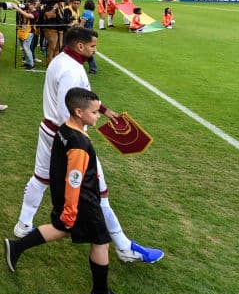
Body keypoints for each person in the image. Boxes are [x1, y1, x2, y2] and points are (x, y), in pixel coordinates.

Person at [12, 26, 163, 264]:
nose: (95, 50)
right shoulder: (71, 70)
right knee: (99, 193)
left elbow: (77, 96)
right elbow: (69, 109)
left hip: (50, 130)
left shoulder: (62, 59)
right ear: (80, 46)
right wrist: (81, 137)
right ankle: (124, 247)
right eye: (93, 46)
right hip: (69, 139)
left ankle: (23, 224)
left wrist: (103, 110)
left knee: (41, 178)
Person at [4, 88, 138, 294]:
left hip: (66, 195)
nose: (98, 116)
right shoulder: (79, 145)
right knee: (101, 240)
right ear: (79, 112)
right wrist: (70, 209)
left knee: (62, 229)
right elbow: (75, 180)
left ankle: (16, 247)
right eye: (95, 112)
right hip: (81, 200)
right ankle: (101, 293)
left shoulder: (64, 130)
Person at [80, 0, 98, 74]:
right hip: (90, 32)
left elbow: (82, 24)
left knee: (85, 50)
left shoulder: (86, 13)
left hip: (85, 33)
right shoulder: (91, 13)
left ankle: (93, 68)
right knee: (86, 50)